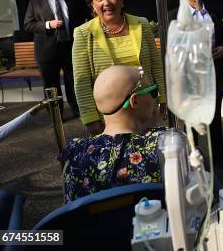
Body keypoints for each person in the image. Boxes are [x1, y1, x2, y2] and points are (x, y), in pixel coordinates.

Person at [72, 0, 166, 136]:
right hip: (110, 119)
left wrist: (163, 98)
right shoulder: (83, 33)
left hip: (145, 111)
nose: (106, 3)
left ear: (122, 0)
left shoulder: (141, 24)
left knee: (149, 158)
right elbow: (82, 81)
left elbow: (156, 64)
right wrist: (90, 119)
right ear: (92, 4)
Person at [59, 65, 165, 203]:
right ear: (135, 101)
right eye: (153, 92)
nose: (155, 98)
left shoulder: (76, 154)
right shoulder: (164, 146)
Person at [168, 0, 223, 170]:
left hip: (213, 74)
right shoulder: (174, 15)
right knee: (190, 121)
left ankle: (219, 162)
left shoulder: (212, 13)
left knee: (214, 120)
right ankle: (192, 161)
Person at [24, 0, 80, 119]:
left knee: (74, 82)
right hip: (47, 52)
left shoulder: (70, 0)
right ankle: (57, 117)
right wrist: (48, 24)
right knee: (51, 86)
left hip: (69, 48)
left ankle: (79, 112)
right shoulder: (35, 3)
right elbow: (28, 25)